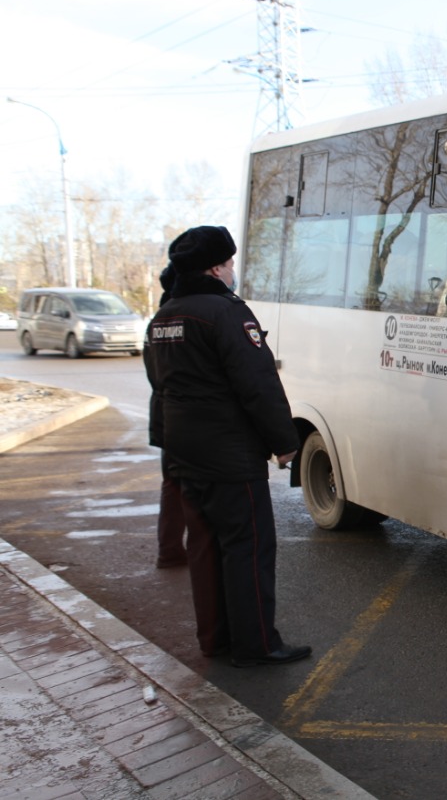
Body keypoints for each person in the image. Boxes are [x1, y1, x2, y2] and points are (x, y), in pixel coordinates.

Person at [144, 225, 310, 668]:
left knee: (204, 547)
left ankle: (215, 640)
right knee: (248, 547)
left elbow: (160, 389)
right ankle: (257, 644)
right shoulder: (225, 313)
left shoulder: (163, 317)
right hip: (230, 455)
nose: (234, 271)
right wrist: (283, 442)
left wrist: (165, 444)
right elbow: (257, 381)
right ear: (217, 267)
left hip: (183, 455)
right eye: (231, 263)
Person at [151, 263, 189, 569]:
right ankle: (171, 549)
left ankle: (170, 548)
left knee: (172, 484)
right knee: (181, 485)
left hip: (165, 415)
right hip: (179, 415)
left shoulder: (158, 319)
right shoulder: (177, 318)